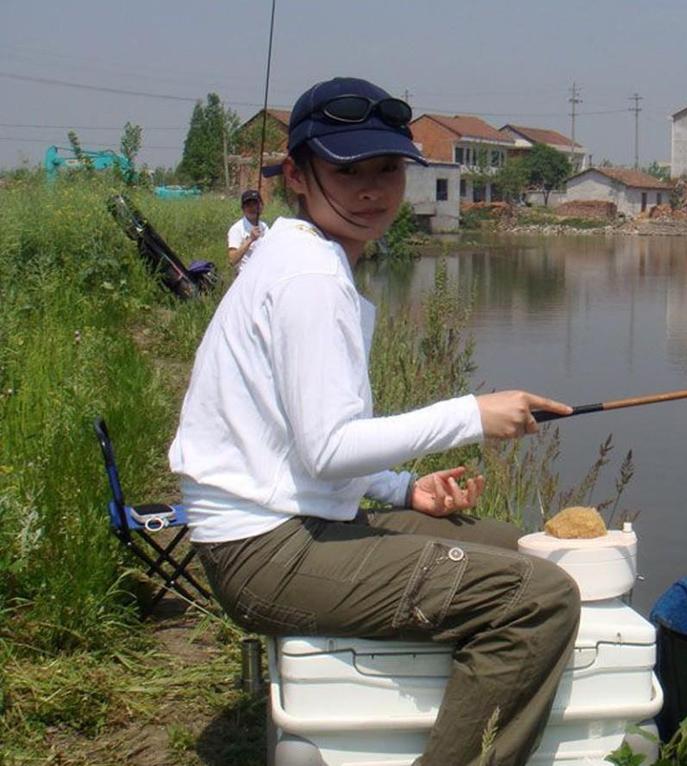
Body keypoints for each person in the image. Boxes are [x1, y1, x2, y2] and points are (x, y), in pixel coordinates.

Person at [170, 77, 579, 766]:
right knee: (537, 598)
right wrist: (472, 414)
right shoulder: (311, 277)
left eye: (387, 168)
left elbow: (304, 439)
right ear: (297, 175)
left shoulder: (301, 254)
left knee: (515, 544)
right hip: (265, 549)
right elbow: (328, 449)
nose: (371, 189)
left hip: (287, 521)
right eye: (346, 170)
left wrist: (401, 490)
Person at [226, 189, 268, 270]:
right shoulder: (236, 229)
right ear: (243, 208)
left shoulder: (264, 226)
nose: (252, 208)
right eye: (248, 205)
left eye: (255, 204)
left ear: (261, 206)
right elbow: (232, 260)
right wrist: (250, 239)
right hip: (246, 277)